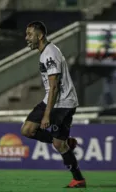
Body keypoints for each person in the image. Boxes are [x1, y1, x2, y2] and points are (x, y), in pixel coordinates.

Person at [21, 21, 86, 188]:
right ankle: (67, 142)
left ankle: (78, 179)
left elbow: (55, 86)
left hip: (62, 103)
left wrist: (47, 114)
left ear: (40, 35)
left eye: (29, 34)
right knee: (27, 130)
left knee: (58, 144)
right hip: (54, 99)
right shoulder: (45, 53)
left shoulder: (50, 53)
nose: (26, 38)